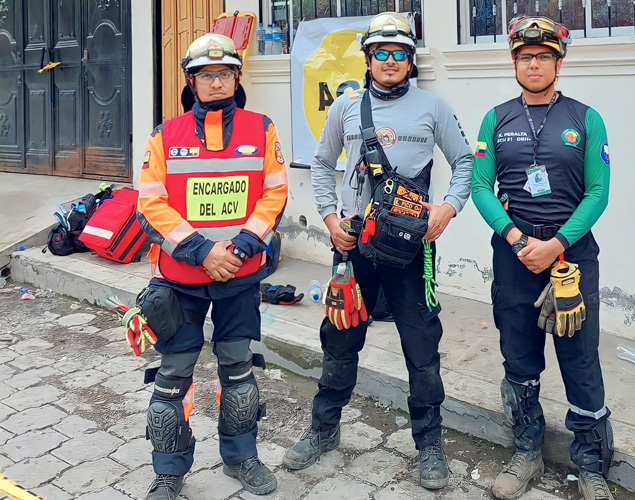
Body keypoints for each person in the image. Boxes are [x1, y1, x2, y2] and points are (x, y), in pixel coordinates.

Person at [281, 12, 473, 490]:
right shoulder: (347, 106)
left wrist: (448, 208)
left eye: (399, 53)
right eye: (381, 52)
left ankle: (429, 445)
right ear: (368, 58)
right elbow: (321, 163)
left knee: (422, 349)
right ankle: (323, 429)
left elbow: (466, 161)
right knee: (339, 339)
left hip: (411, 250)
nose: (390, 60)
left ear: (411, 60)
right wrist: (330, 219)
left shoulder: (433, 106)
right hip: (353, 246)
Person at [137, 33, 288, 499]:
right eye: (207, 75)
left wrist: (239, 248)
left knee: (239, 371)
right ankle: (169, 473)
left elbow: (275, 193)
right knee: (172, 377)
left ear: (237, 78)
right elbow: (150, 204)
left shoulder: (262, 128)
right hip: (180, 279)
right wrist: (203, 251)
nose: (216, 82)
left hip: (239, 275)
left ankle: (241, 458)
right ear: (192, 81)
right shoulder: (165, 135)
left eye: (224, 74)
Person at [471, 16, 614, 500]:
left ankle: (591, 465)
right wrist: (516, 240)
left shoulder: (586, 119)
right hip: (515, 257)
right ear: (514, 62)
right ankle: (526, 451)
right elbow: (480, 187)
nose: (534, 64)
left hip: (571, 258)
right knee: (519, 356)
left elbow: (598, 192)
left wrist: (557, 244)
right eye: (526, 57)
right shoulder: (496, 119)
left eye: (544, 57)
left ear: (559, 63)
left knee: (580, 358)